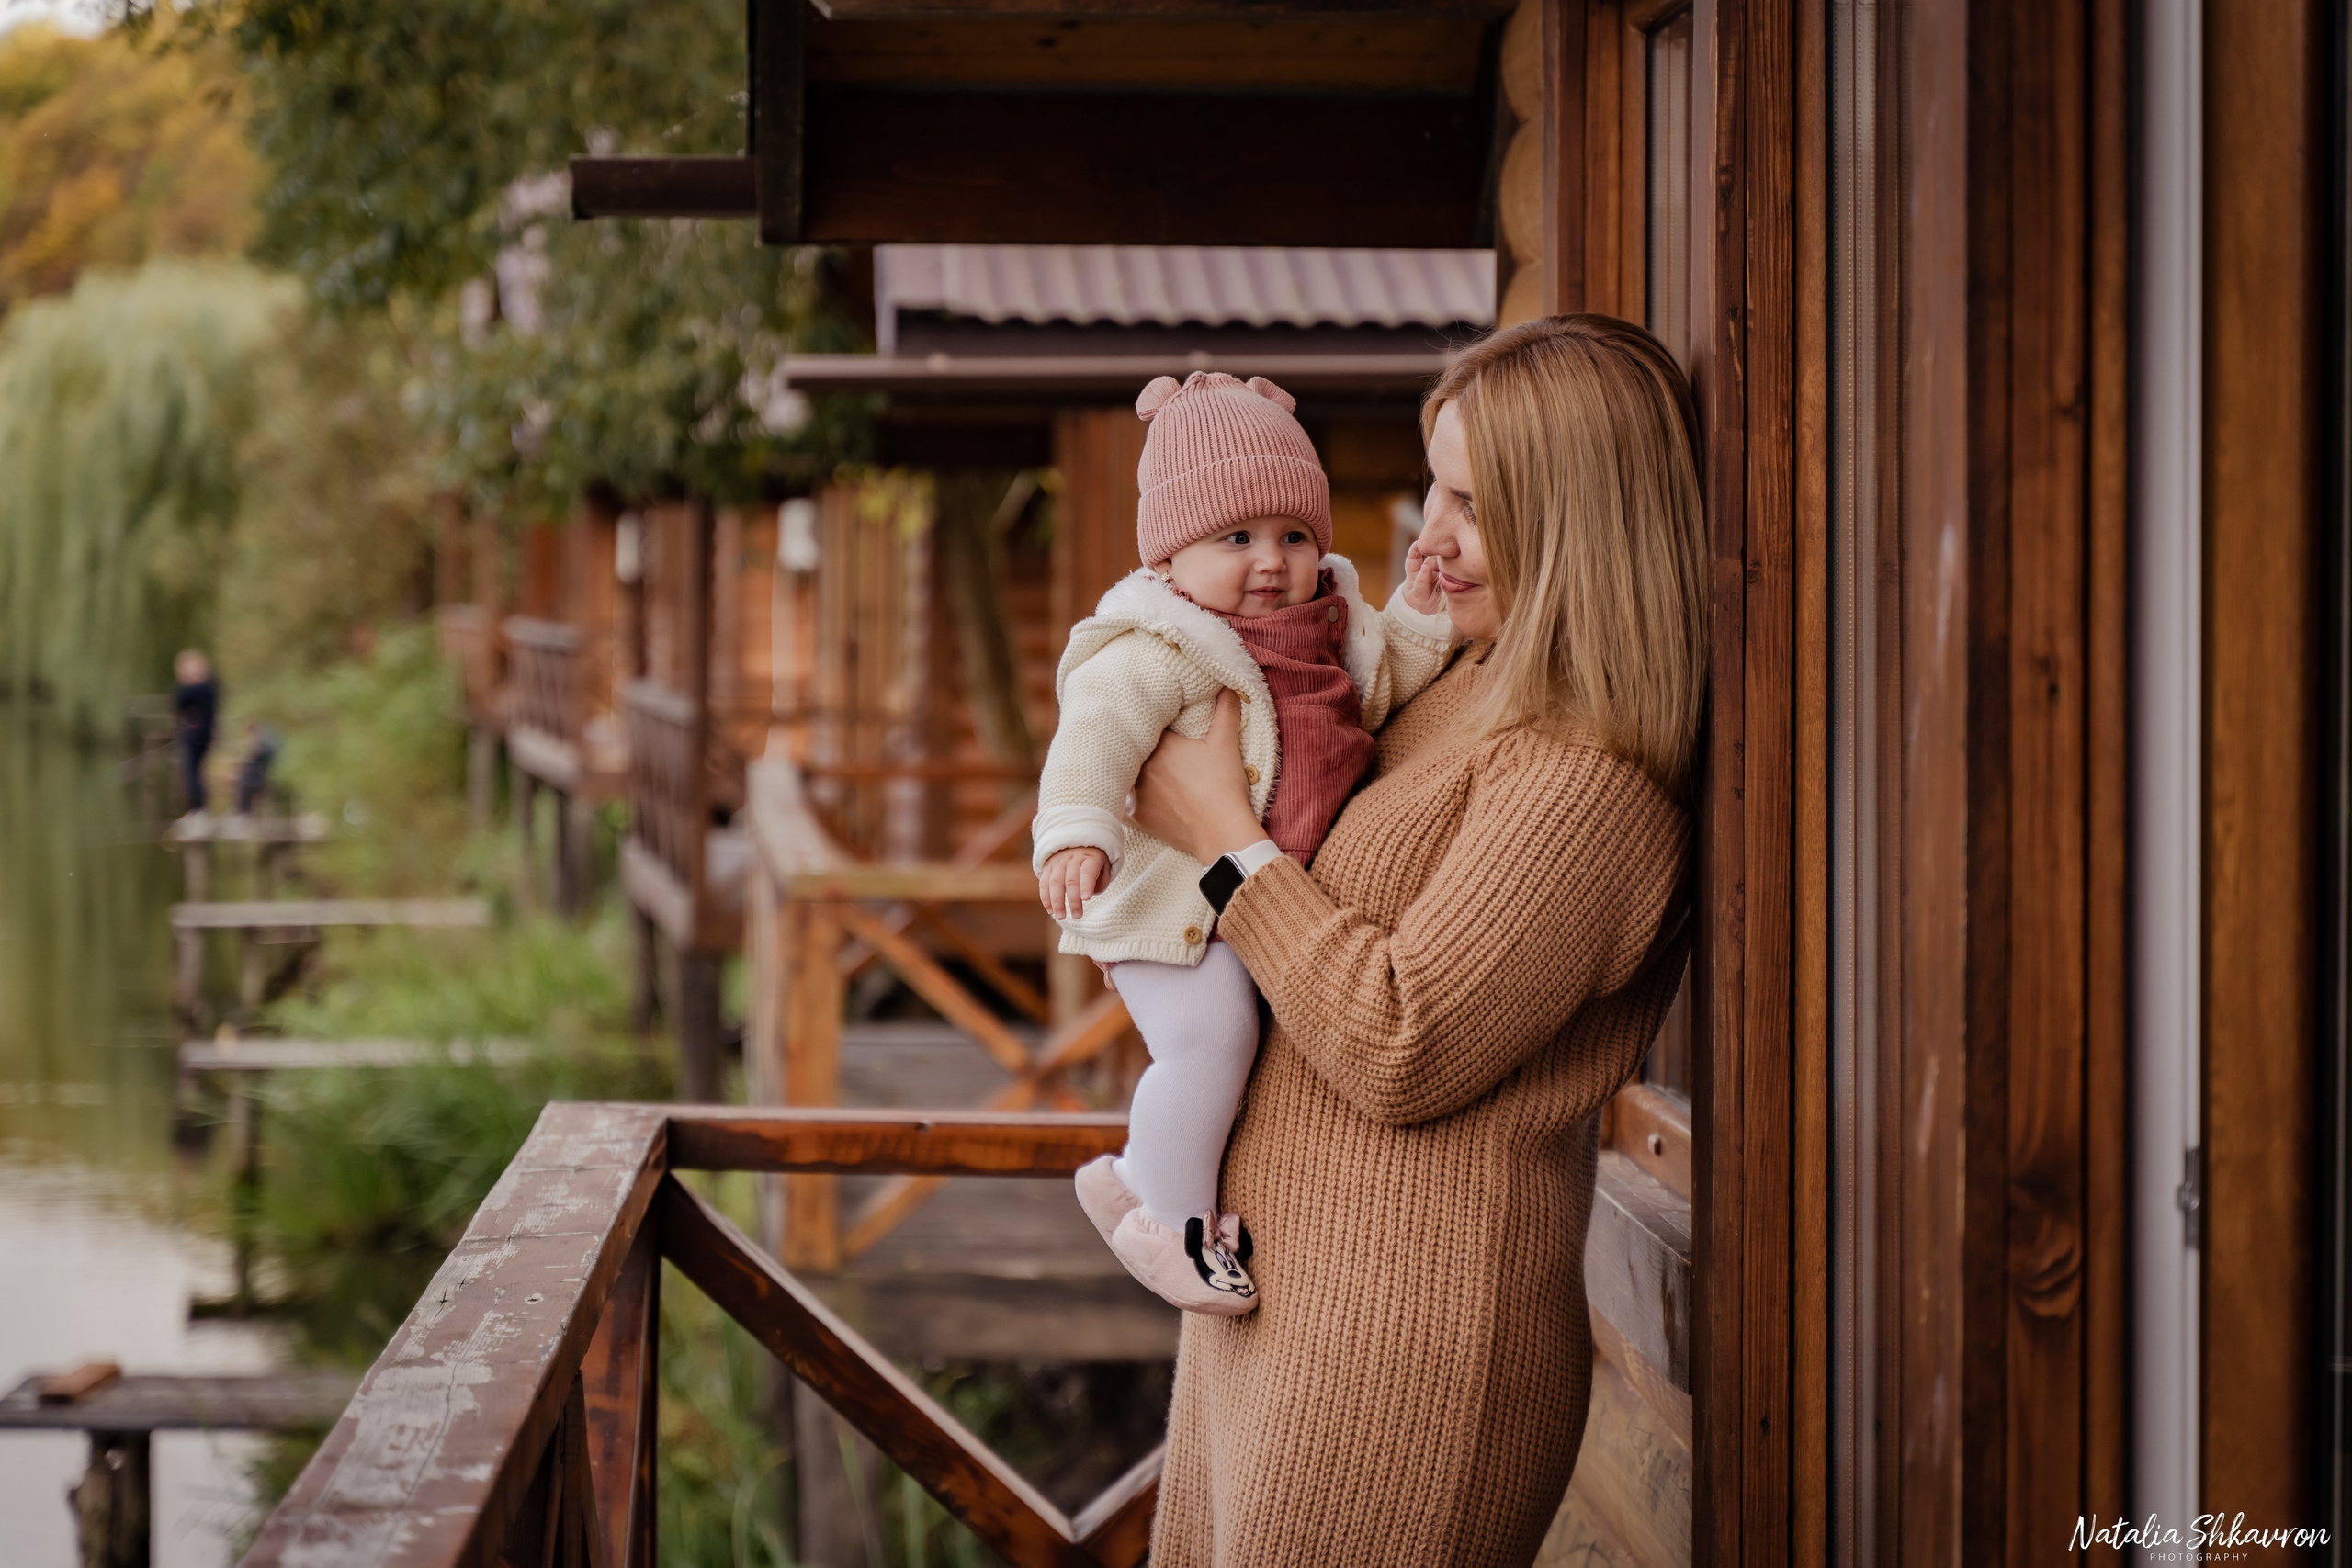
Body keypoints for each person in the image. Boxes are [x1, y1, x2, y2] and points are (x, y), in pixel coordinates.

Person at [1128, 316, 1709, 1566]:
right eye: (1432, 486)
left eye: (1474, 508)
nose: (1426, 539)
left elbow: (1403, 1038)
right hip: (1280, 1299)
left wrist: (1227, 843)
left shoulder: (1587, 782)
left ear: (1579, 529)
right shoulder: (1457, 688)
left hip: (1400, 1342)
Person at [1032, 370, 1454, 1315]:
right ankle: (1170, 1221)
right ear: (1171, 556)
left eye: (1293, 536)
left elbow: (1383, 693)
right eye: (1236, 538)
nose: (1270, 561)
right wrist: (1075, 833)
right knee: (1211, 1040)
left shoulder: (1328, 628)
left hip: (1253, 897)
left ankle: (1131, 1173)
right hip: (1173, 900)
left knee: (1233, 1042)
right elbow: (1092, 740)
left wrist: (1425, 619)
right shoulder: (1158, 647)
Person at [172, 649, 219, 820]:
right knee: (191, 772)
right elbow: (178, 702)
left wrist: (187, 682)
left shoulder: (204, 687)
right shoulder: (203, 687)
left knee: (192, 772)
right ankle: (197, 810)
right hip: (193, 735)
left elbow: (181, 700)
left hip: (199, 736)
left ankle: (200, 811)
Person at [233, 719, 280, 817]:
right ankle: (242, 813)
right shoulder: (258, 749)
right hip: (254, 779)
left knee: (244, 783)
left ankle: (243, 813)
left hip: (258, 780)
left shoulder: (264, 748)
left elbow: (263, 757)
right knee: (241, 781)